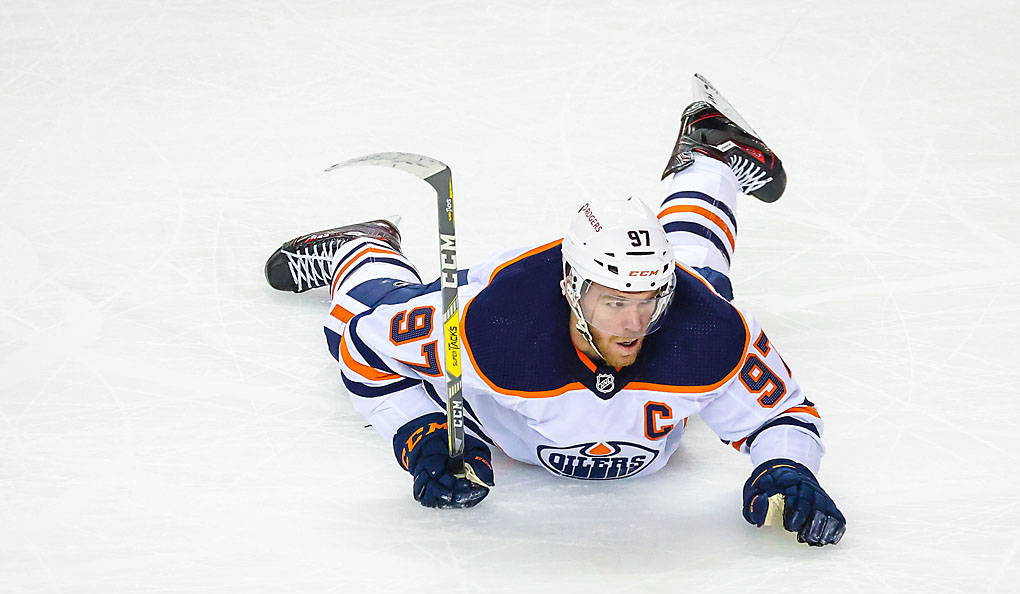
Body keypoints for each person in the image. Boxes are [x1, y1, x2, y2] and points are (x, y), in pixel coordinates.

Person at [263, 96, 846, 546]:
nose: (635, 323)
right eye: (615, 301)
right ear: (572, 288)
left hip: (675, 303)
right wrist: (419, 432)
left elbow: (783, 412)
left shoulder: (704, 329)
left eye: (650, 300)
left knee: (705, 280)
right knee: (375, 302)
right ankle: (359, 248)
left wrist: (787, 465)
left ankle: (708, 153)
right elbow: (362, 346)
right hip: (496, 308)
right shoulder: (488, 328)